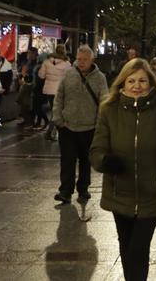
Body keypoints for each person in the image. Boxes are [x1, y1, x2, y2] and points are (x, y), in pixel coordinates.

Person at [89, 58, 156, 281]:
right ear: (122, 83)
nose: (137, 85)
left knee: (138, 250)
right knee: (126, 249)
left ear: (152, 83)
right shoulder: (109, 111)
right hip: (119, 194)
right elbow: (96, 149)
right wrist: (105, 161)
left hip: (152, 195)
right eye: (131, 80)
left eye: (142, 80)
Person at [53, 45, 107, 204]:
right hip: (67, 126)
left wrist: (99, 124)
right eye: (79, 59)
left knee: (86, 160)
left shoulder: (100, 78)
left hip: (89, 127)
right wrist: (58, 119)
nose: (81, 62)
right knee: (67, 160)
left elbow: (104, 101)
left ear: (92, 60)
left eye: (85, 60)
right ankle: (65, 191)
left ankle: (83, 189)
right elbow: (59, 97)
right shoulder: (68, 74)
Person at [36, 44, 71, 137]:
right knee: (56, 112)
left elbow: (41, 75)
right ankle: (50, 132)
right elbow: (70, 77)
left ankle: (51, 131)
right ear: (64, 51)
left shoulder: (46, 62)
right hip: (60, 90)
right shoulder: (67, 64)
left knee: (54, 110)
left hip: (49, 90)